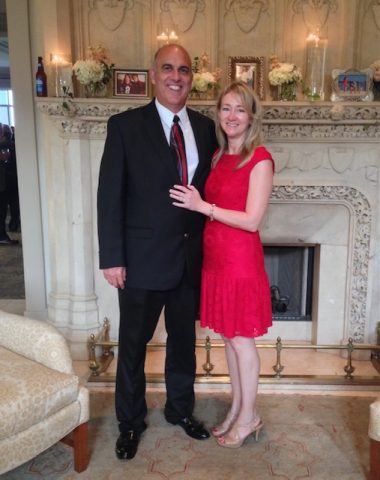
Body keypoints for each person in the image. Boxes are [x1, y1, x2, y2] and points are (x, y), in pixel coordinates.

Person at [97, 44, 218, 461]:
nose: (176, 76)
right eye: (168, 68)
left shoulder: (205, 128)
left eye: (184, 69)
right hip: (140, 260)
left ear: (191, 77)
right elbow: (109, 196)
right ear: (153, 74)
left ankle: (180, 411)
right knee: (133, 345)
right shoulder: (125, 126)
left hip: (188, 260)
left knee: (183, 342)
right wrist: (112, 257)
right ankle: (130, 423)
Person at [169, 81, 274, 449]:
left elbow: (252, 220)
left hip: (240, 262)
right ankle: (237, 410)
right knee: (230, 340)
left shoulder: (259, 159)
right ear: (219, 113)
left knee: (242, 342)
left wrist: (204, 208)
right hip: (215, 260)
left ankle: (249, 416)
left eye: (240, 109)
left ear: (251, 116)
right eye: (226, 108)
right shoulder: (216, 156)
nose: (232, 116)